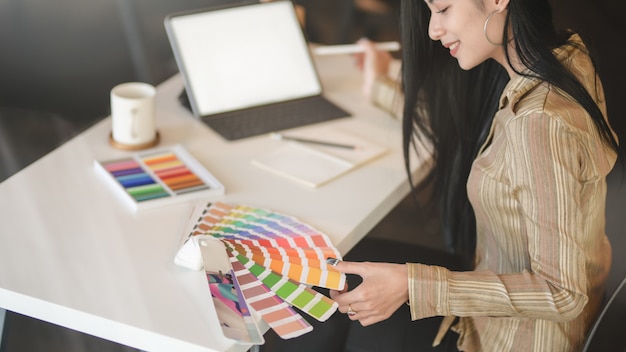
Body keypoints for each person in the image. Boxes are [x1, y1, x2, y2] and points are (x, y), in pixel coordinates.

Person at [327, 0, 621, 351]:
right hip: (492, 310)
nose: (433, 30)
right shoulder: (564, 58)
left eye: (443, 9)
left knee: (333, 296)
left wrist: (411, 284)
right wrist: (378, 85)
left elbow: (562, 293)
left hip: (508, 340)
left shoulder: (539, 124)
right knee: (341, 280)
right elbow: (459, 128)